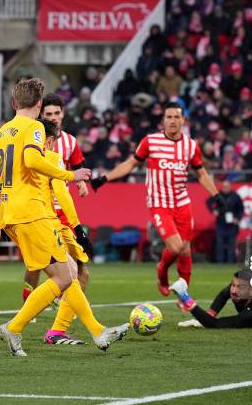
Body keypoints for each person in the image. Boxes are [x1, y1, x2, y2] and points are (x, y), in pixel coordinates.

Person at [0, 77, 127, 356]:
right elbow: (33, 160)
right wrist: (71, 174)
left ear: (13, 103)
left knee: (67, 271)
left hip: (10, 215)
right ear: (39, 104)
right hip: (32, 212)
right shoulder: (34, 128)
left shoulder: (0, 134)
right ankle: (15, 327)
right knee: (64, 277)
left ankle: (97, 331)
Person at [91, 102, 226, 295]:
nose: (172, 121)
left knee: (186, 249)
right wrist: (105, 178)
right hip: (159, 203)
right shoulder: (150, 142)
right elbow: (130, 164)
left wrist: (216, 195)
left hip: (182, 202)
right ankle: (162, 271)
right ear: (163, 120)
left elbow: (202, 174)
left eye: (176, 117)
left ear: (183, 120)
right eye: (169, 117)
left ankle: (183, 294)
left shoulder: (191, 146)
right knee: (176, 246)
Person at [20, 93, 91, 305]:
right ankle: (29, 303)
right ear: (41, 114)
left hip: (62, 211)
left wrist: (80, 184)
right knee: (36, 265)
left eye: (56, 113)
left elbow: (76, 167)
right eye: (48, 113)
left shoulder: (70, 142)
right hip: (39, 209)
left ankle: (60, 305)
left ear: (63, 114)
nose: (52, 117)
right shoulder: (32, 138)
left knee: (78, 267)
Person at [206, 180, 244, 263]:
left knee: (231, 245)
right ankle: (220, 262)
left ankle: (230, 262)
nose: (225, 188)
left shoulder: (235, 196)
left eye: (227, 187)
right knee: (220, 244)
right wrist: (213, 210)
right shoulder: (218, 195)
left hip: (232, 224)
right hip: (221, 223)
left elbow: (241, 209)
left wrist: (238, 218)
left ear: (230, 187)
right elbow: (208, 202)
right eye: (224, 187)